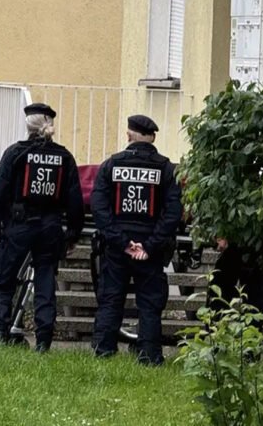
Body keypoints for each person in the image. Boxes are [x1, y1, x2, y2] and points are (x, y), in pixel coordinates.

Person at [0, 103, 85, 353]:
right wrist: (72, 234)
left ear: (28, 125)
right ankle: (43, 340)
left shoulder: (15, 153)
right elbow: (75, 199)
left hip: (18, 225)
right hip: (50, 227)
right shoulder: (64, 157)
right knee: (45, 281)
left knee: (4, 278)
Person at [90, 114, 182, 365]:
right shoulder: (165, 169)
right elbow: (173, 213)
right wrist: (149, 245)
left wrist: (121, 242)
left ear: (129, 135)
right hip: (150, 249)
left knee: (111, 299)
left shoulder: (112, 165)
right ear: (152, 138)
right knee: (150, 304)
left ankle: (103, 352)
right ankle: (149, 356)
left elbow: (99, 208)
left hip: (116, 248)